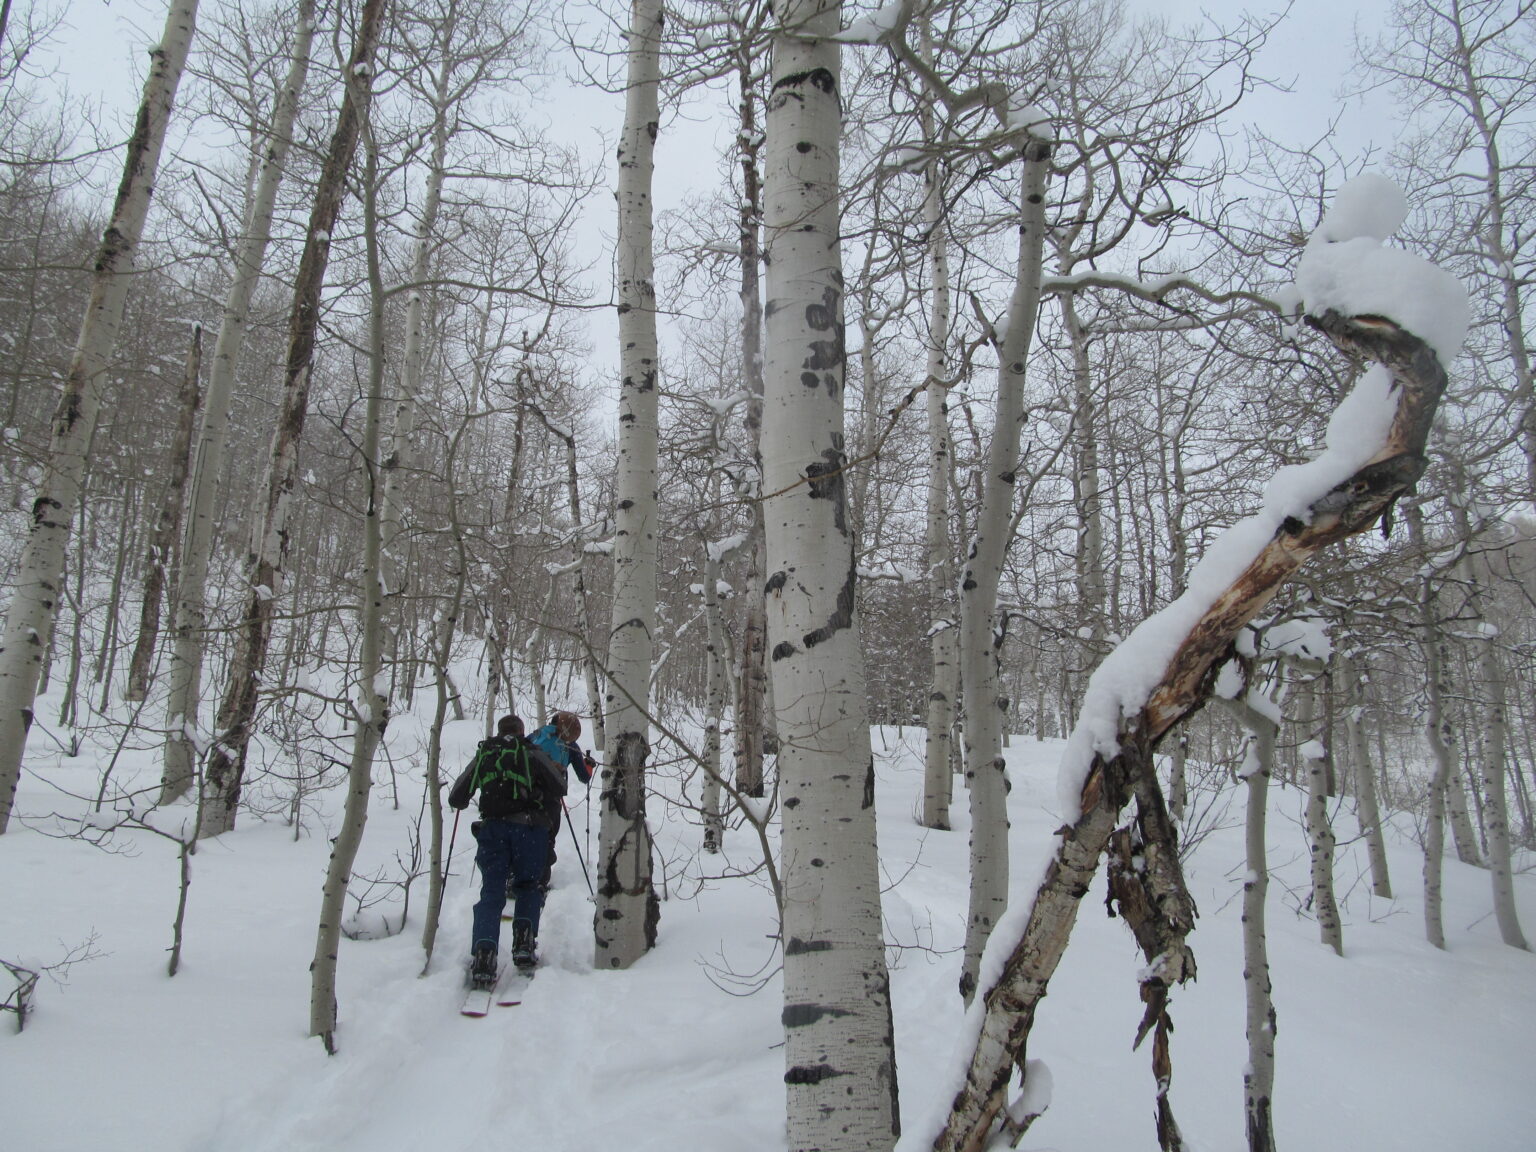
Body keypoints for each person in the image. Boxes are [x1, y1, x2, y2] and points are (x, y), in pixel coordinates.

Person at [448, 714, 566, 987]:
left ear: (499, 732)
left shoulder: (485, 754)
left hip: (493, 831)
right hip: (530, 830)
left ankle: (485, 954)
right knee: (527, 885)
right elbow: (559, 787)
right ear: (522, 731)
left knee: (491, 890)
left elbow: (457, 797)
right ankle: (524, 944)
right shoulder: (531, 752)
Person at [522, 710, 595, 892]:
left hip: (524, 796)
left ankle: (515, 877)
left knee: (523, 836)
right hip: (551, 798)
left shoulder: (536, 735)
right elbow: (584, 777)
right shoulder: (571, 746)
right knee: (546, 839)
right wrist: (589, 765)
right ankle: (539, 883)